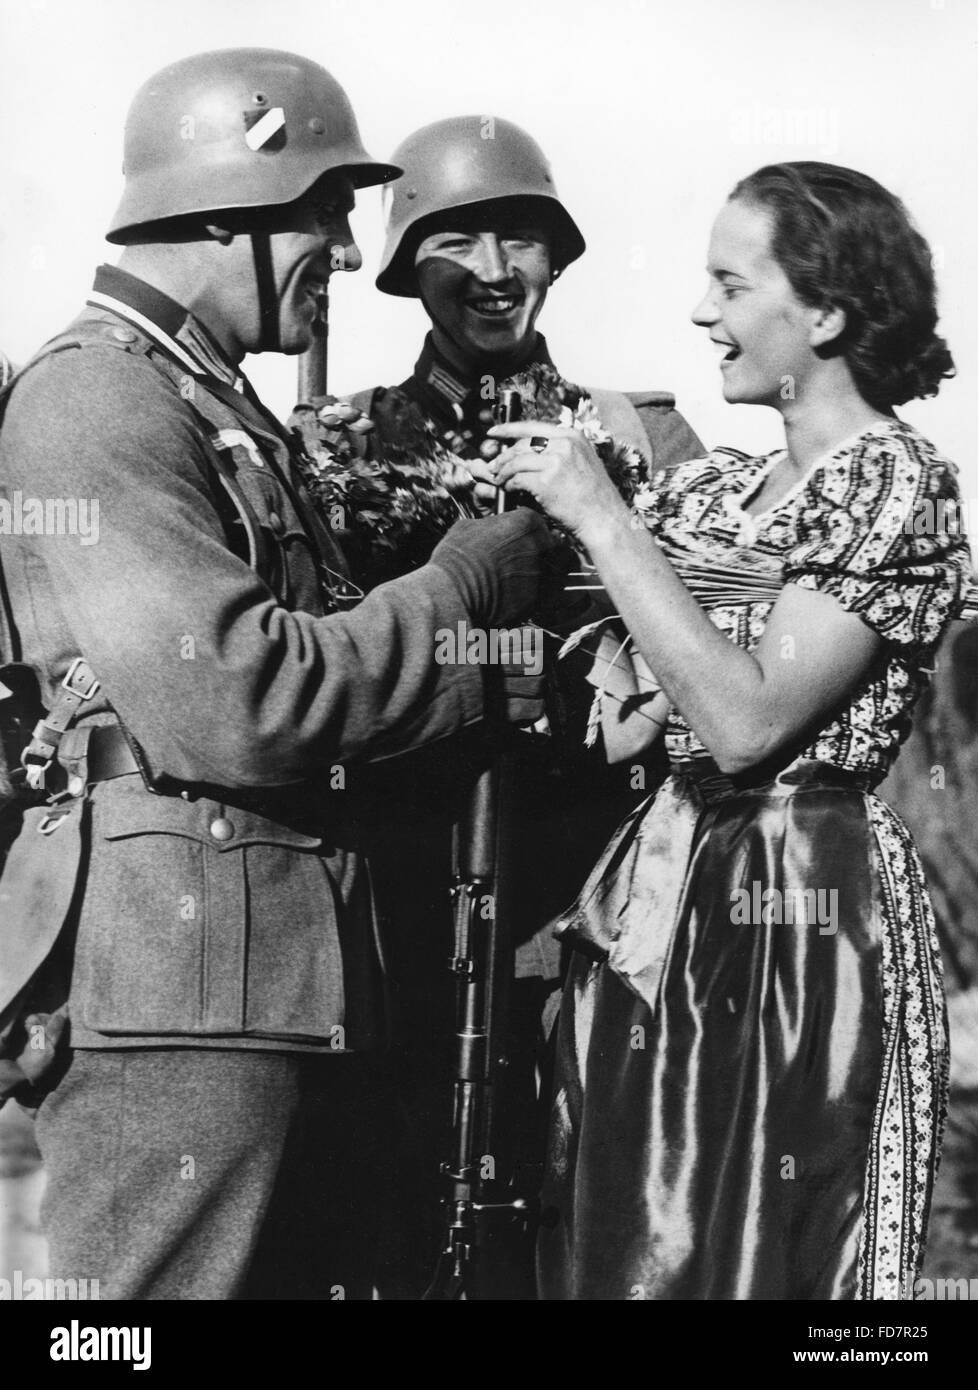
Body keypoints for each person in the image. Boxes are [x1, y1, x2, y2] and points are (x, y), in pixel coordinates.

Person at [0, 48, 560, 1300]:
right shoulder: (97, 402)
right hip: (182, 995)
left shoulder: (214, 409)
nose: (349, 254)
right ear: (221, 211)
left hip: (266, 977)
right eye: (321, 212)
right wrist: (465, 591)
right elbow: (243, 699)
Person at [489, 161, 972, 1300]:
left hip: (805, 905)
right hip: (667, 896)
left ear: (827, 312)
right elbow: (639, 724)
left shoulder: (898, 486)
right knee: (639, 1238)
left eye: (730, 284)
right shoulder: (714, 496)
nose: (702, 313)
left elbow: (747, 722)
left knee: (778, 1241)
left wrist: (602, 519)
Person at [291, 115, 705, 1297]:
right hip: (390, 905)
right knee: (375, 1219)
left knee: (582, 1216)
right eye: (453, 239)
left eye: (519, 238)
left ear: (559, 256)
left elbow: (693, 668)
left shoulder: (641, 443)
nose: (490, 271)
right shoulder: (332, 447)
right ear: (402, 261)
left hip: (581, 900)